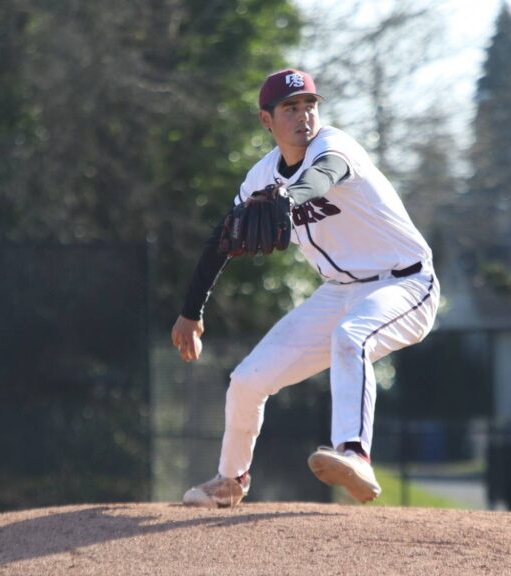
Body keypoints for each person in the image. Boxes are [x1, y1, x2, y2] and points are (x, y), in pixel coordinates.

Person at [172, 68, 440, 508]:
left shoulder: (335, 146)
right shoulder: (261, 178)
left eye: (310, 106)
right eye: (291, 108)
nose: (304, 116)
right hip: (339, 292)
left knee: (351, 336)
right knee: (246, 380)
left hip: (406, 283)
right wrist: (191, 311)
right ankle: (230, 480)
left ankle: (354, 454)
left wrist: (288, 200)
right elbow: (222, 239)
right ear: (267, 121)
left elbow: (322, 176)